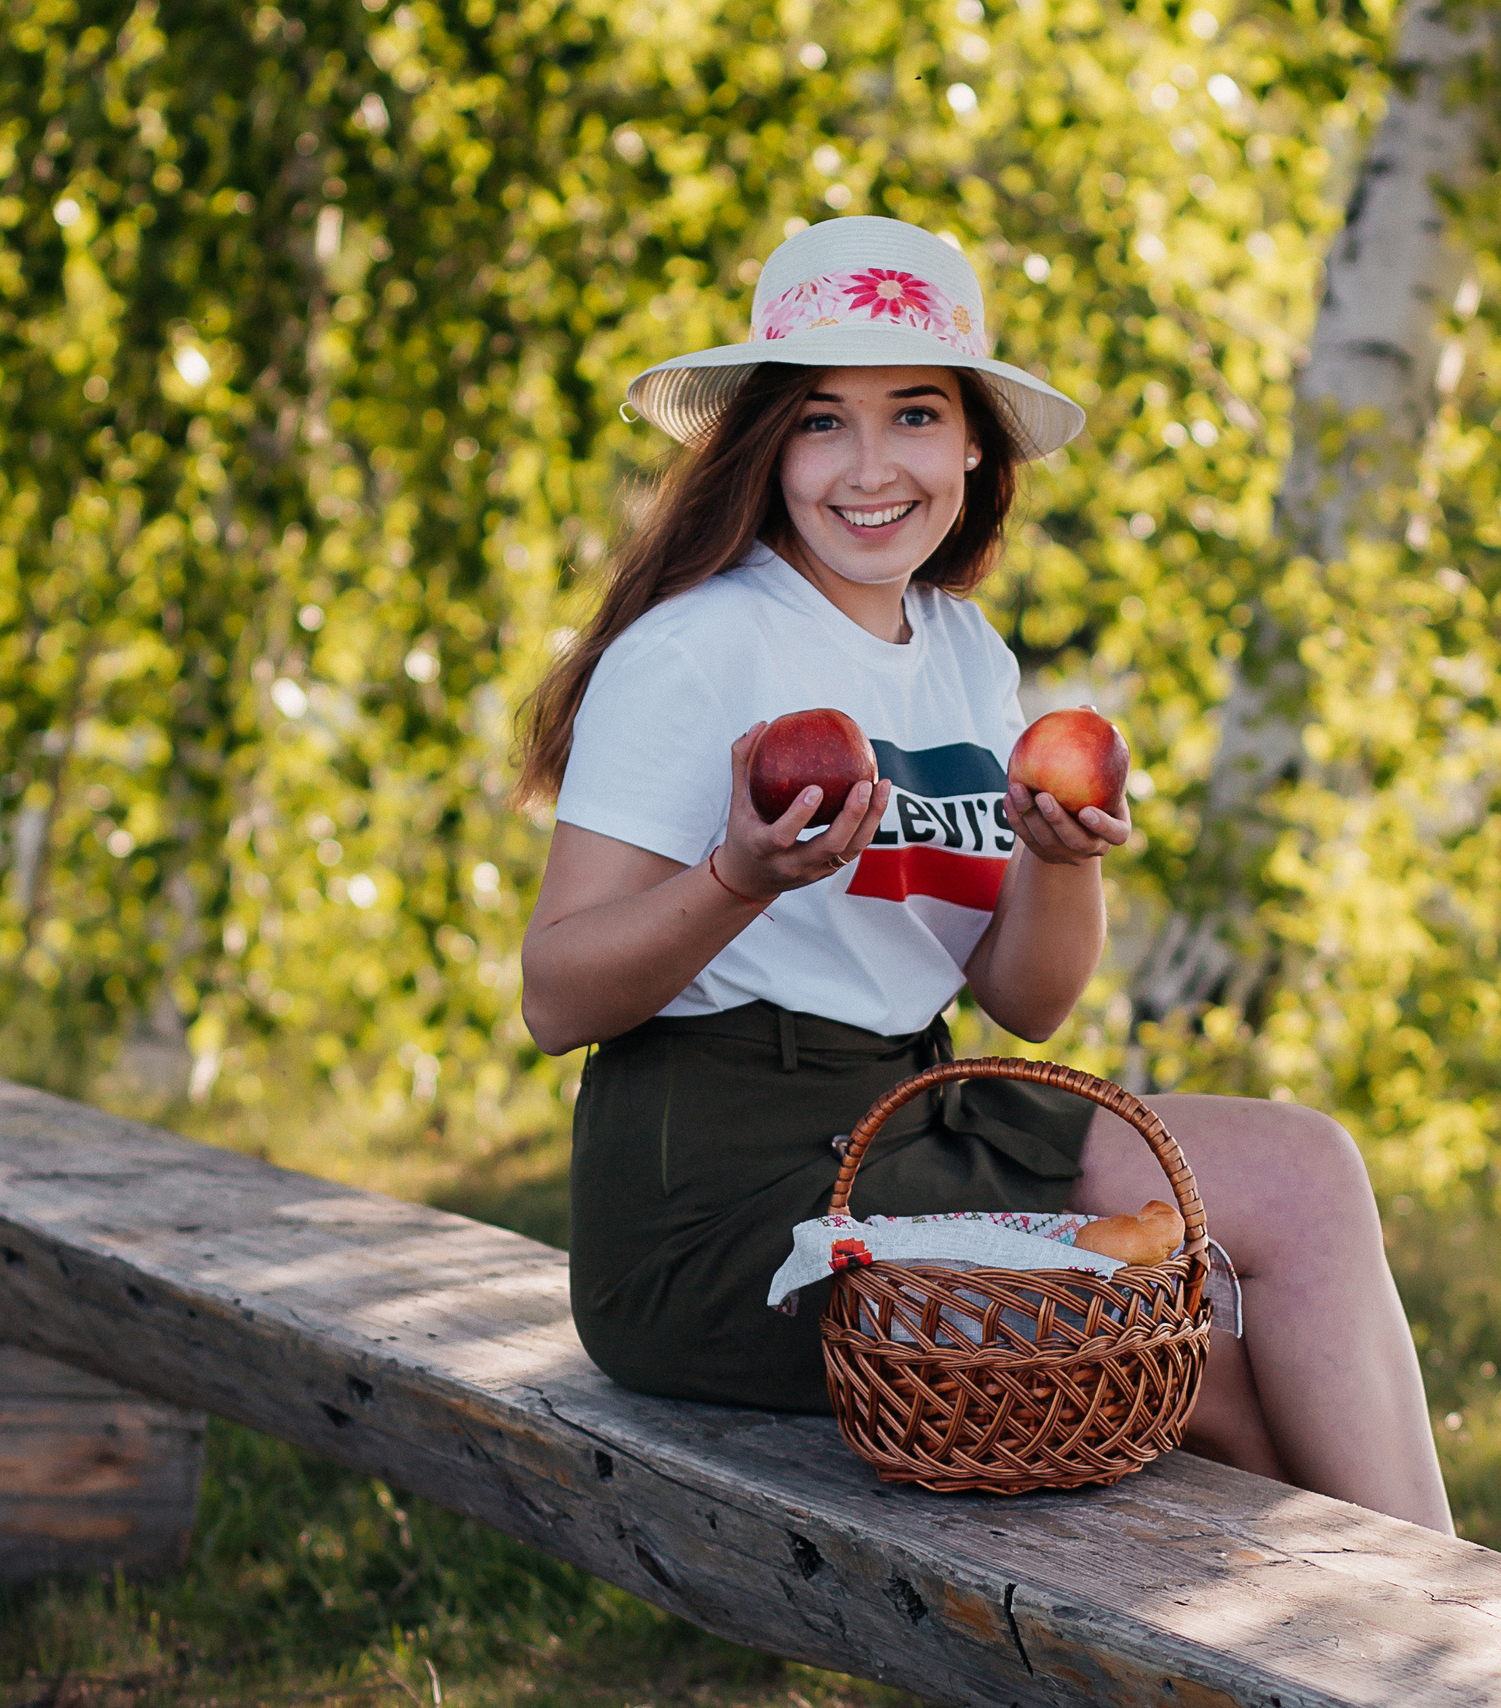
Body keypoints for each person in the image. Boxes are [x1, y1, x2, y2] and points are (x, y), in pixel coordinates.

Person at [514, 217, 1453, 1534]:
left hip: (913, 1125)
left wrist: (1062, 864)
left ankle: (1439, 1617)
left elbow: (1030, 1001)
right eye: (822, 421)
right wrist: (738, 876)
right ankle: (1423, 1628)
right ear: (767, 446)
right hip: (719, 1211)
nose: (871, 466)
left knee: (1303, 1173)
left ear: (971, 443)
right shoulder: (697, 650)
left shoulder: (963, 655)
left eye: (915, 413)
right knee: (1218, 1378)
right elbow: (555, 998)